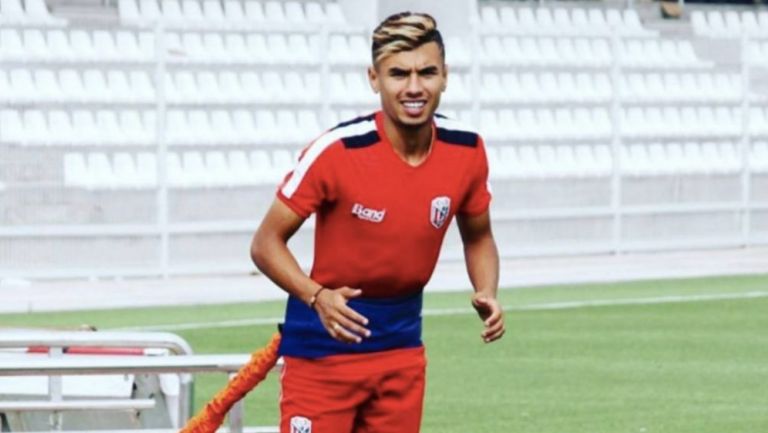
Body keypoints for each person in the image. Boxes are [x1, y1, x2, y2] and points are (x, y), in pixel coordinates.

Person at [250, 11, 504, 433]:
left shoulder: (468, 149)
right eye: (398, 74)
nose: (414, 87)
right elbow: (265, 244)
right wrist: (317, 297)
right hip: (321, 351)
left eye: (427, 72)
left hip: (401, 348)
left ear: (445, 76)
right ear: (374, 78)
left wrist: (487, 290)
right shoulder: (336, 151)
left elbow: (478, 236)